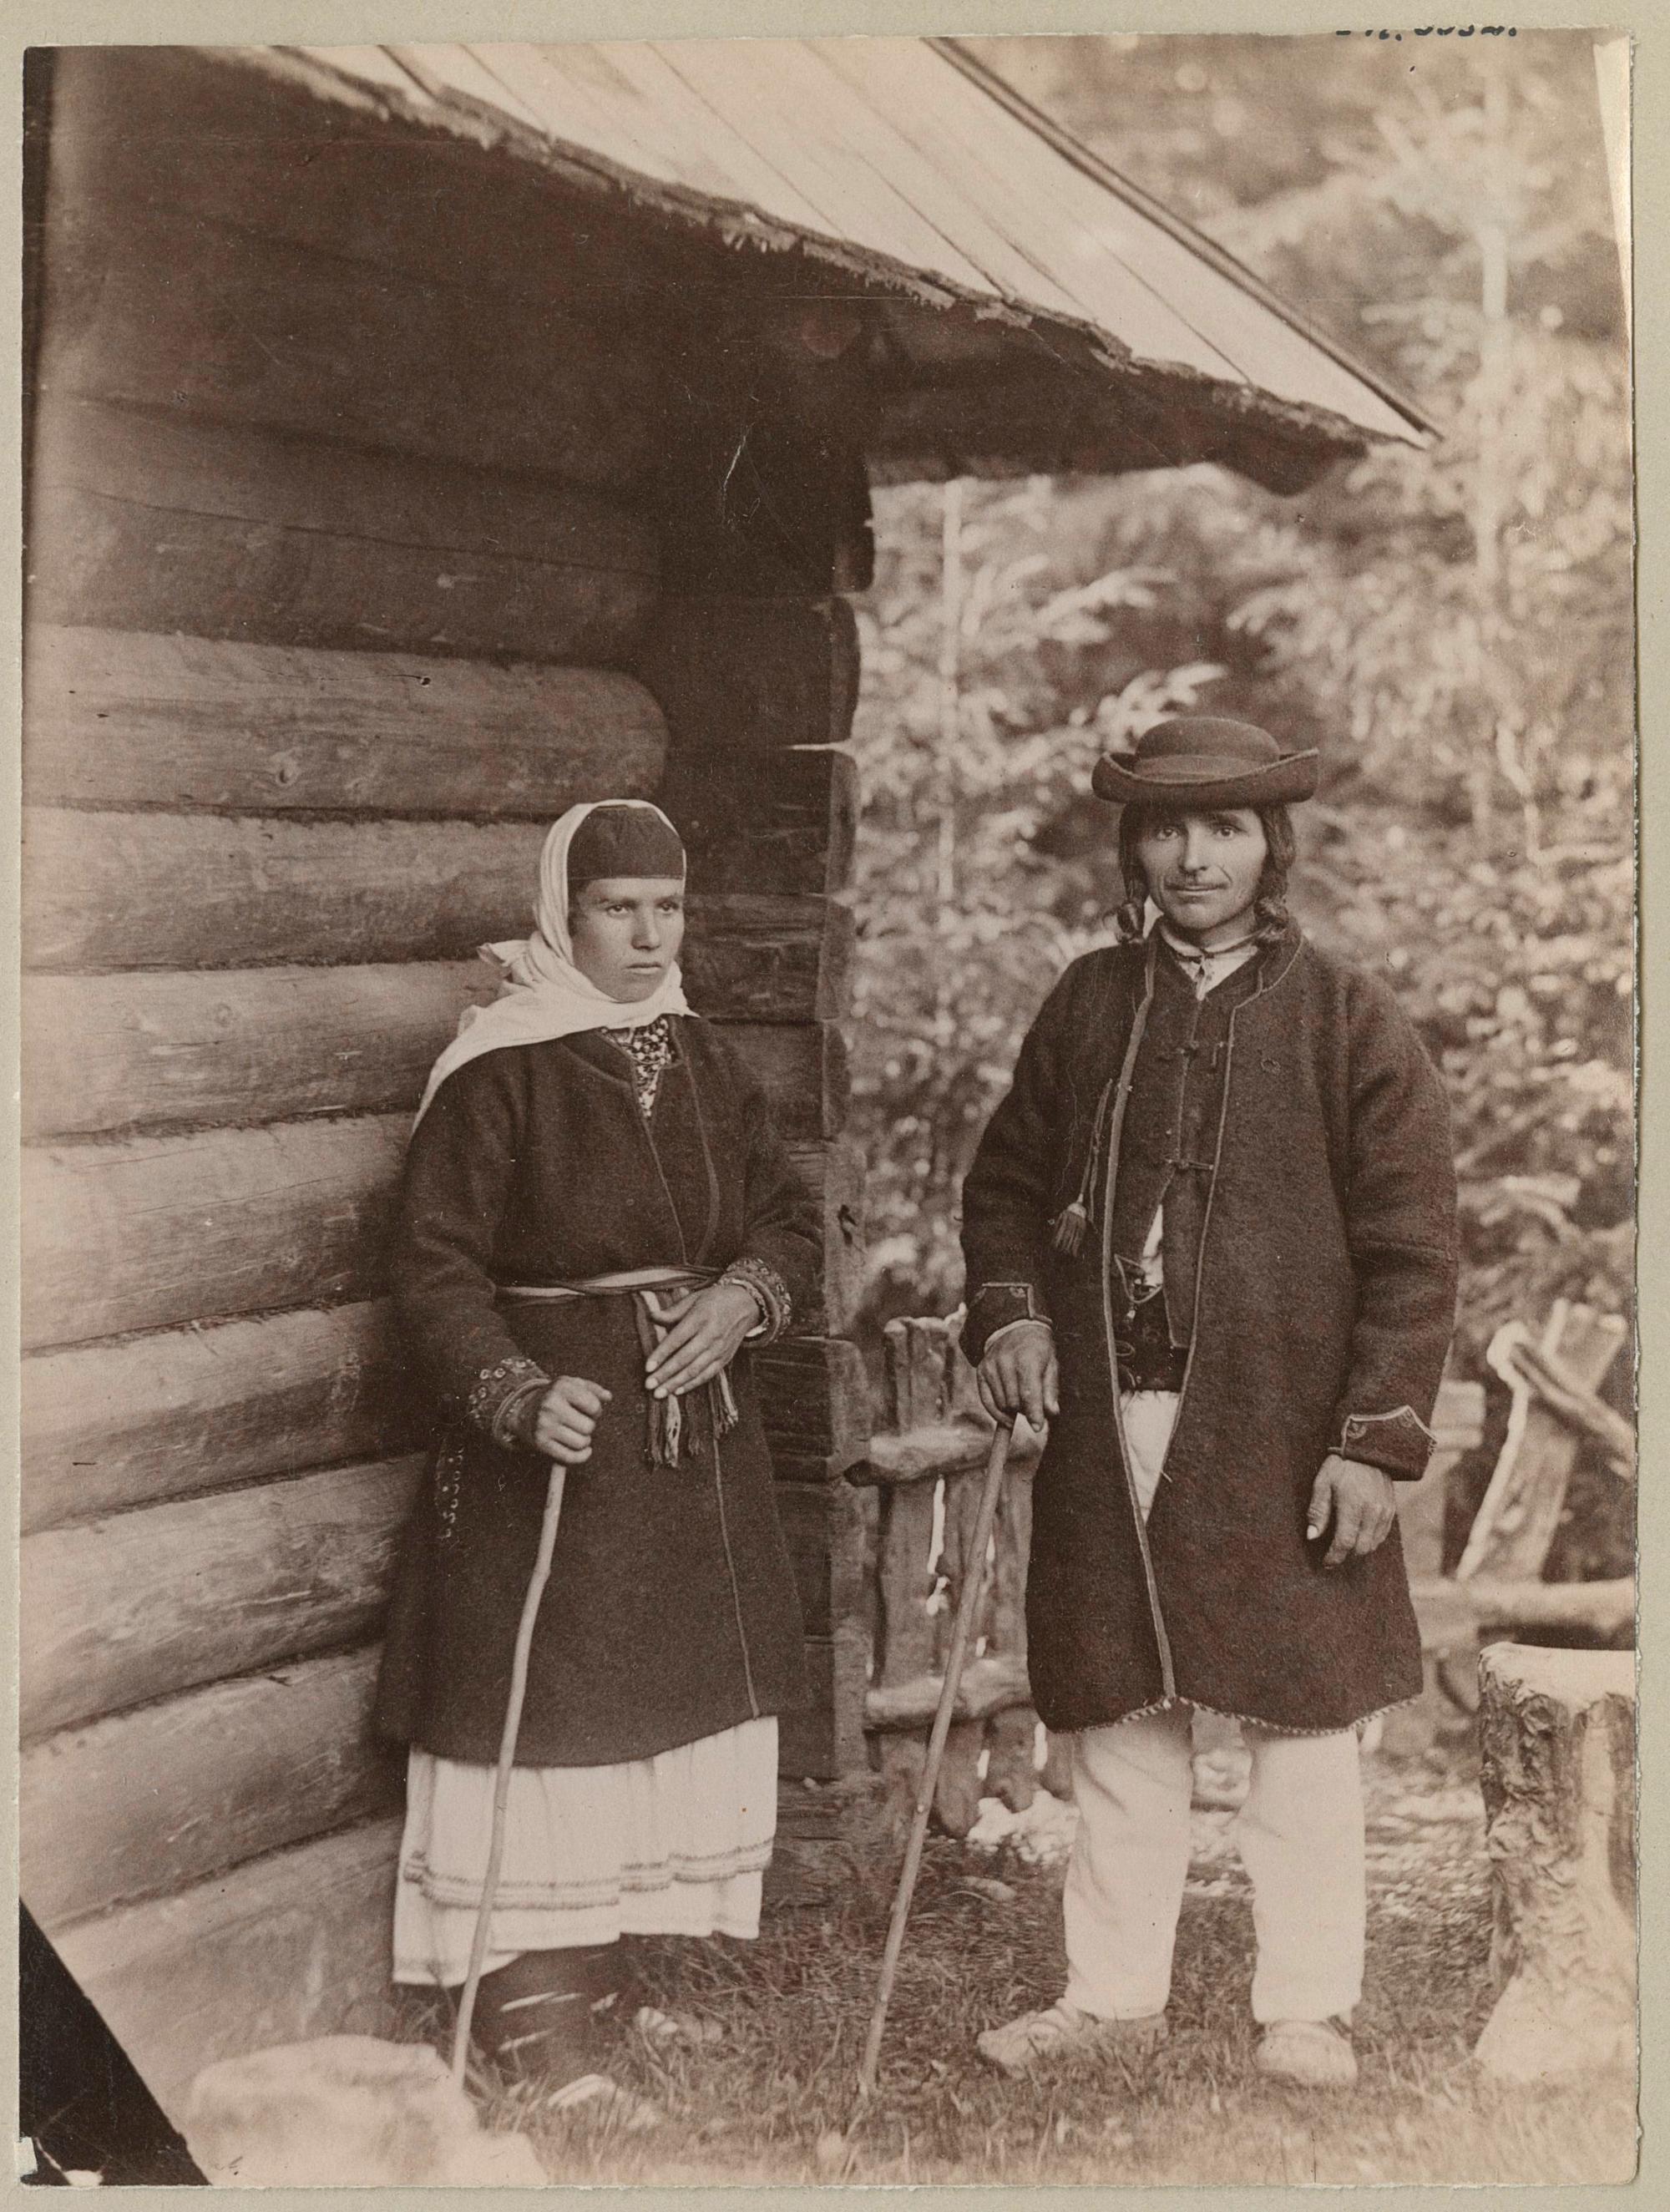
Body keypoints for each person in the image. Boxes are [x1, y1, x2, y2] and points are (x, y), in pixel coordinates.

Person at [959, 717, 1458, 2090]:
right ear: (1134, 846)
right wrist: (1011, 1313)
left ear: (1270, 845)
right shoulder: (1087, 1003)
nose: (1194, 857)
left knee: (1301, 1722)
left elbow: (1415, 1251)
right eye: (1168, 829)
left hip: (1284, 1424)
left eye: (1226, 828)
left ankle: (1306, 2006)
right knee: (1120, 1712)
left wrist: (1373, 1443)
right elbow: (1005, 1189)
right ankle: (1110, 1994)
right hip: (1113, 1410)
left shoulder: (1347, 1016)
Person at [374, 799, 816, 2115]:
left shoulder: (706, 1058)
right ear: (562, 917)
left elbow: (789, 1217)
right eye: (618, 908)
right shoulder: (497, 1069)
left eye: (667, 907)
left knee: (660, 1709)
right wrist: (514, 1391)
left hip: (687, 1447)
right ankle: (530, 2019)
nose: (647, 933)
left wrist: (742, 1298)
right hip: (556, 1458)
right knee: (553, 1721)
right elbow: (434, 1268)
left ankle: (609, 1976)